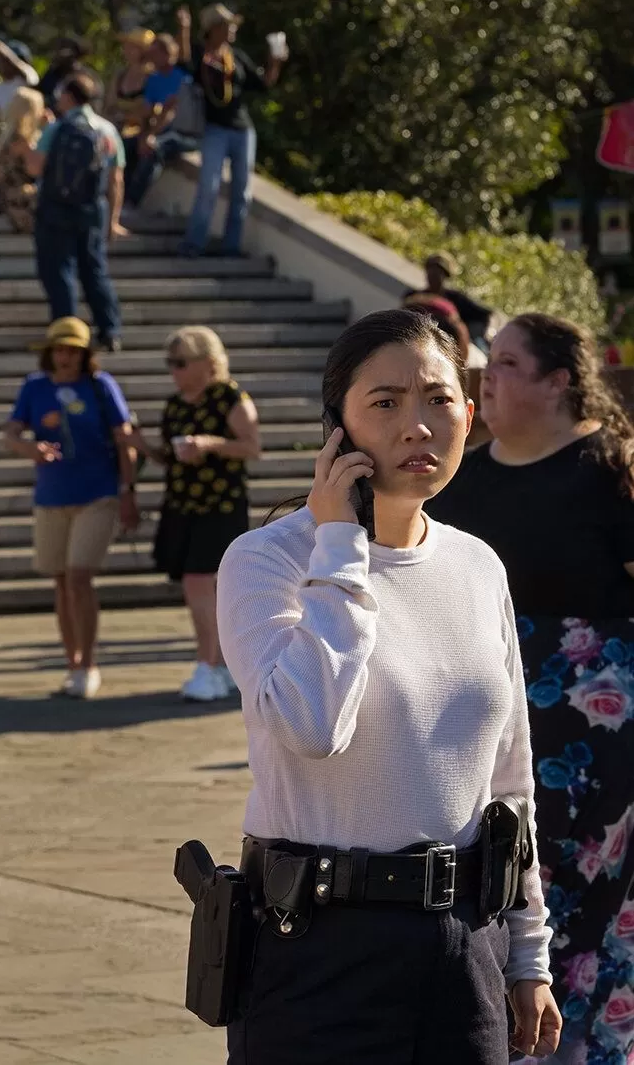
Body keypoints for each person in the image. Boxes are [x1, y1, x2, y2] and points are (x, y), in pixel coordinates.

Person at [217, 308, 560, 1061]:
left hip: (467, 944)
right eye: (385, 402)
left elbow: (510, 779)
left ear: (468, 415)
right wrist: (340, 546)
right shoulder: (266, 560)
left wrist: (528, 954)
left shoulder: (477, 565)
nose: (417, 426)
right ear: (336, 429)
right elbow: (312, 728)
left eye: (438, 399)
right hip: (319, 946)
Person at [425, 314, 634, 1064]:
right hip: (486, 725)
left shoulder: (612, 470)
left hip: (598, 742)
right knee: (500, 890)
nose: (488, 375)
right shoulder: (462, 480)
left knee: (584, 905)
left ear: (558, 382)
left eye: (510, 363)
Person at [2, 317, 140, 701]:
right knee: (61, 580)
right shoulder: (35, 386)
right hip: (52, 494)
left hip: (98, 492)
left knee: (80, 576)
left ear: (85, 354)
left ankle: (89, 663)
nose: (66, 357)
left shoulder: (101, 386)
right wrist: (29, 447)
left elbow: (125, 438)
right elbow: (10, 433)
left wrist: (128, 490)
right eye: (60, 350)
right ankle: (72, 662)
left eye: (73, 351)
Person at [152, 325, 260, 702]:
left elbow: (251, 446)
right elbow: (169, 457)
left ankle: (208, 665)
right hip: (182, 503)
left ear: (207, 362)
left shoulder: (229, 396)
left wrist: (209, 444)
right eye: (170, 363)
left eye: (181, 362)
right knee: (199, 583)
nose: (174, 370)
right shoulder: (175, 404)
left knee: (198, 581)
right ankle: (222, 665)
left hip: (220, 504)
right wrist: (138, 445)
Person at [174, 3, 285, 257]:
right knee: (209, 187)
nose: (232, 30)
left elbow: (264, 84)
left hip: (242, 130)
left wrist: (275, 63)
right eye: (228, 25)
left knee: (241, 192)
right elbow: (184, 62)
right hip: (214, 129)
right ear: (214, 29)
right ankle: (194, 243)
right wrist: (184, 29)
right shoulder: (201, 54)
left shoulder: (236, 56)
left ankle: (231, 246)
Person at [28, 73, 127, 354]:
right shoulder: (107, 130)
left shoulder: (57, 129)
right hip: (93, 210)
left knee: (58, 271)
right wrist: (113, 220)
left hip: (55, 209)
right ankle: (110, 330)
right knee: (94, 270)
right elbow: (116, 179)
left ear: (69, 97)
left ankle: (66, 332)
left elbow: (35, 168)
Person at [124, 34, 193, 212]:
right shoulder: (154, 79)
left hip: (181, 131)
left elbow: (171, 112)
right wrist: (143, 134)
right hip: (157, 128)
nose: (152, 58)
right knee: (127, 146)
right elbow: (147, 111)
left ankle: (132, 203)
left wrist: (150, 135)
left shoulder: (183, 78)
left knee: (154, 150)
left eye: (155, 54)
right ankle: (119, 194)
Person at [0, 85, 41, 233]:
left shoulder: (5, 140)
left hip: (3, 195)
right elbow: (34, 169)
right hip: (17, 198)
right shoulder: (24, 142)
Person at [406, 252, 494, 351]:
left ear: (446, 275)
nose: (434, 275)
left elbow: (486, 314)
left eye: (439, 272)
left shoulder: (457, 299)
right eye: (431, 270)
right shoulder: (412, 297)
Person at [103, 29, 153, 170]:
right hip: (115, 130)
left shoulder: (152, 79)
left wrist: (124, 116)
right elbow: (109, 106)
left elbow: (148, 113)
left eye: (131, 46)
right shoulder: (120, 75)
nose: (125, 49)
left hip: (137, 137)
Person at [37, 35, 93, 112]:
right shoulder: (53, 72)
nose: (64, 54)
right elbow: (40, 92)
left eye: (71, 52)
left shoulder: (83, 79)